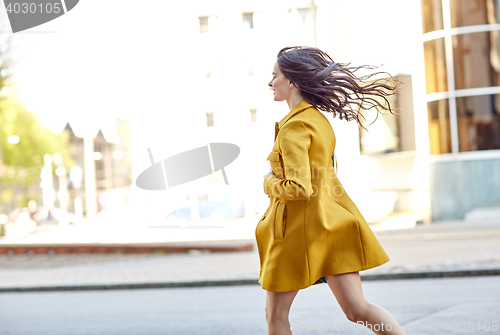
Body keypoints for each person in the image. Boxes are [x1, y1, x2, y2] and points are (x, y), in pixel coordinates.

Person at [255, 46, 405, 335]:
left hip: (298, 233)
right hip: (332, 227)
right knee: (358, 309)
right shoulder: (317, 121)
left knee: (275, 316)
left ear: (292, 82)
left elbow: (300, 188)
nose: (270, 82)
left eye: (275, 76)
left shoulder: (294, 126)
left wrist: (268, 183)